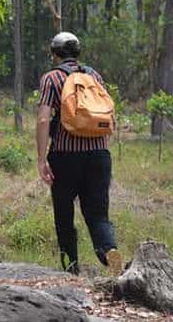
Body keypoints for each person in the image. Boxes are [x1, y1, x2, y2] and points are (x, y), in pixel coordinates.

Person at [36, 32, 122, 276]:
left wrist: (42, 160)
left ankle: (71, 269)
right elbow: (108, 115)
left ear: (54, 54)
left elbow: (43, 119)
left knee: (64, 215)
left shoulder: (51, 78)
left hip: (65, 157)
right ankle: (109, 251)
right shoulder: (94, 76)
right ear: (78, 52)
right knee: (98, 215)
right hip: (99, 155)